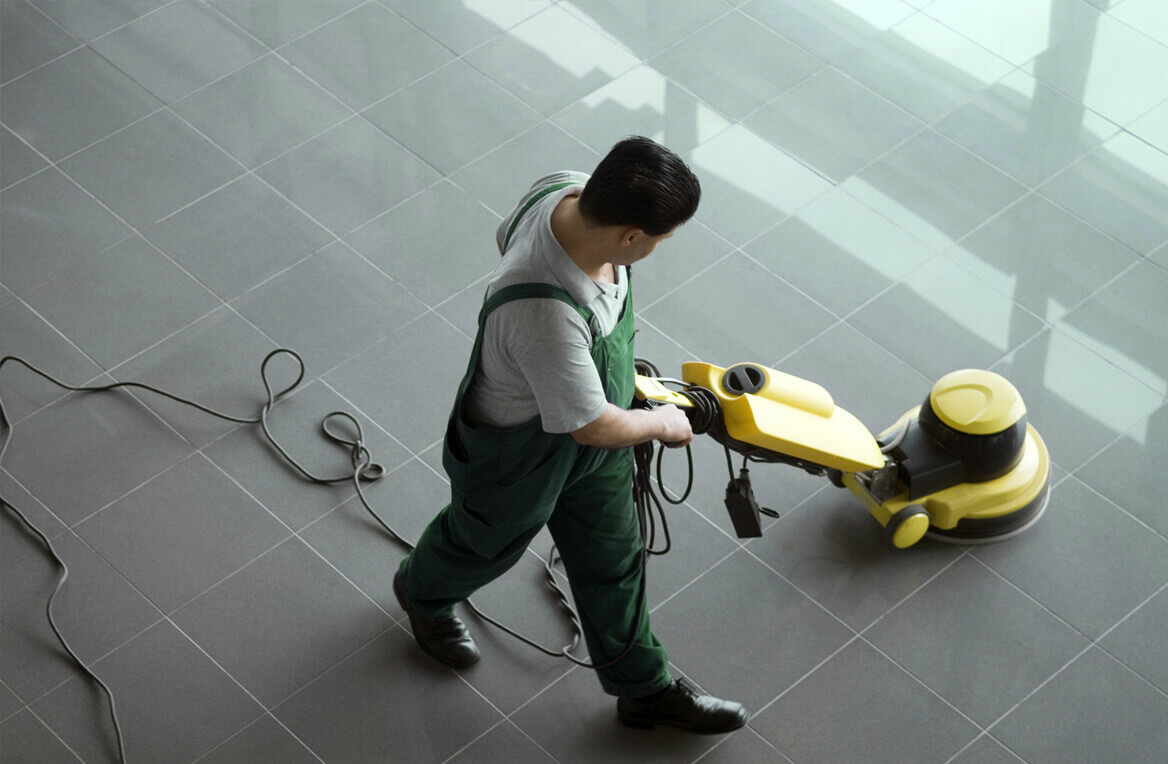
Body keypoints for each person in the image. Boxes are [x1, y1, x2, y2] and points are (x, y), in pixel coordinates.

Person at [394, 136, 748, 734]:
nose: (659, 248)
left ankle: (644, 689)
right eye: (661, 239)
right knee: (482, 542)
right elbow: (593, 426)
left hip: (592, 431)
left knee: (613, 556)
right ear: (630, 237)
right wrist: (663, 422)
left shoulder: (565, 189)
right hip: (519, 451)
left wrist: (590, 382)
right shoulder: (545, 314)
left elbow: (504, 233)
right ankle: (421, 591)